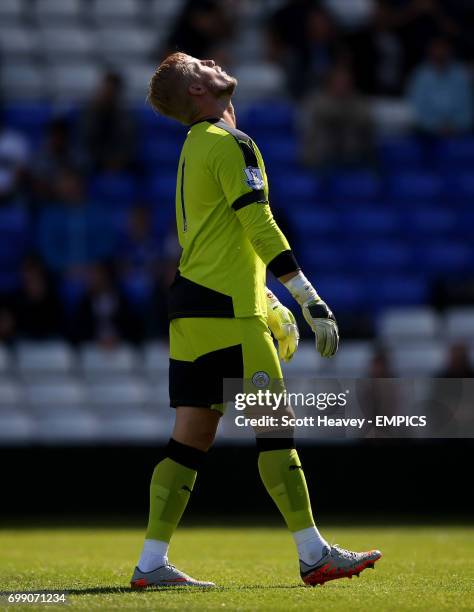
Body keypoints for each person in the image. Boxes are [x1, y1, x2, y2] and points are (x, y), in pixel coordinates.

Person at [131, 52, 381, 589]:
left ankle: (151, 562)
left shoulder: (194, 147)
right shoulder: (230, 144)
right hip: (227, 309)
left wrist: (264, 295)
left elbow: (217, 239)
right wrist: (307, 297)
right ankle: (314, 554)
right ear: (198, 90)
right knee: (276, 428)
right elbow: (259, 223)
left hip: (190, 307)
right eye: (203, 63)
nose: (215, 61)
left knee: (190, 438)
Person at [300, 65, 375, 168]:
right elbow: (324, 113)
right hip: (321, 158)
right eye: (338, 82)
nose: (342, 86)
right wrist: (346, 115)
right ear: (329, 82)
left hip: (352, 157)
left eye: (345, 82)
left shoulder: (359, 103)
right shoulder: (316, 101)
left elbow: (366, 118)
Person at [407, 37, 473, 135]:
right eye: (437, 48)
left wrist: (456, 125)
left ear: (450, 50)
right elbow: (415, 108)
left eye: (443, 48)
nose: (440, 52)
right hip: (426, 134)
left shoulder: (460, 74)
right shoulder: (420, 75)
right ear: (430, 50)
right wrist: (434, 126)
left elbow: (467, 107)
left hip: (458, 132)